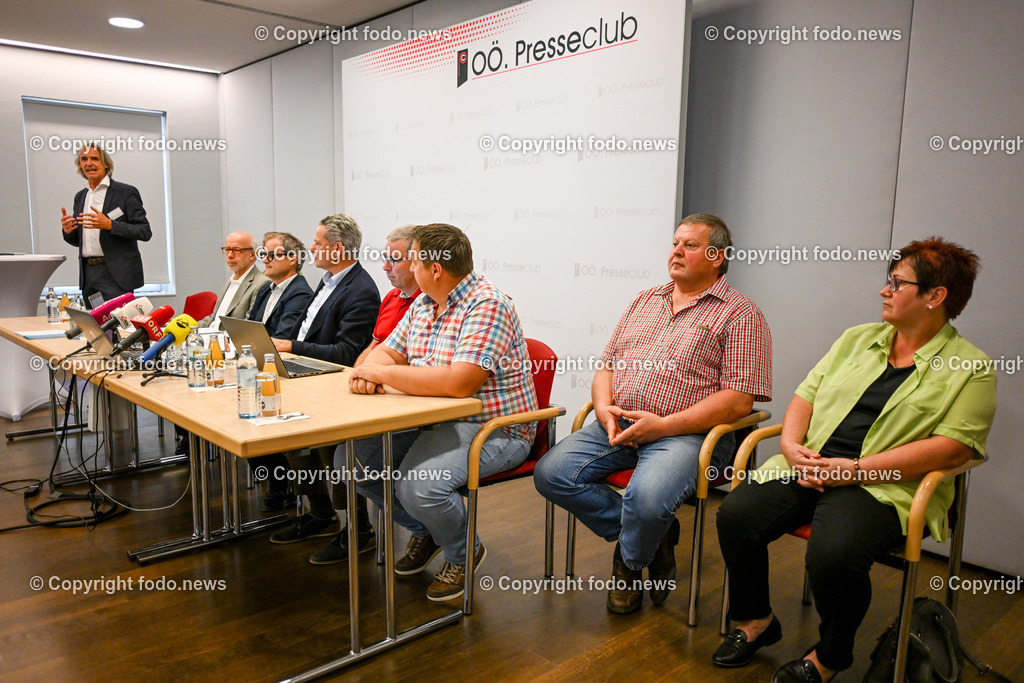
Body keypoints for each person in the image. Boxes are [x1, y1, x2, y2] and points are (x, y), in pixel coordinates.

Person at [712, 237, 997, 683]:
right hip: (811, 463)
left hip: (882, 483)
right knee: (736, 515)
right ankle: (757, 623)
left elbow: (954, 448)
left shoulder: (971, 368)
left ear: (935, 297)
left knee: (833, 554)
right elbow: (805, 396)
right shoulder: (857, 339)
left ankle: (829, 656)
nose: (884, 291)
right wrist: (790, 447)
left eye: (897, 283)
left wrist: (858, 471)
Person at [534, 214, 772, 615]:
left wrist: (663, 426)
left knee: (646, 501)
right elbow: (606, 366)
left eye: (690, 246)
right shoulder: (645, 300)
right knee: (551, 473)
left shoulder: (742, 314)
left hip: (688, 436)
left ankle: (628, 564)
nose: (676, 252)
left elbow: (738, 402)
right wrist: (606, 409)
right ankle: (655, 536)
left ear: (717, 257)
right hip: (620, 424)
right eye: (675, 243)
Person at [344, 223, 538, 601]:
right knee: (353, 462)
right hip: (430, 419)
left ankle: (463, 551)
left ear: (435, 270)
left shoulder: (488, 304)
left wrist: (381, 373)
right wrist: (375, 369)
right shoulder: (423, 302)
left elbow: (458, 383)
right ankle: (429, 530)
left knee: (420, 485)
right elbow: (387, 350)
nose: (408, 269)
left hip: (494, 428)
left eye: (413, 261)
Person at [293, 226, 424, 562]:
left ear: (419, 262)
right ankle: (327, 512)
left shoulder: (424, 306)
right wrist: (360, 373)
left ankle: (365, 526)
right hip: (371, 387)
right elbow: (376, 344)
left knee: (340, 448)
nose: (385, 267)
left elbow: (410, 365)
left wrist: (366, 372)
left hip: (404, 402)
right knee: (305, 429)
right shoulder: (393, 298)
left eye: (393, 260)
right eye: (385, 258)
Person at [264, 214, 378, 531]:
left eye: (317, 243)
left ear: (337, 248)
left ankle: (357, 528)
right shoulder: (327, 280)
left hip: (333, 383)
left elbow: (346, 353)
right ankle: (321, 512)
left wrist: (290, 347)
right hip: (308, 372)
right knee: (284, 431)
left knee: (328, 446)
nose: (311, 248)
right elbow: (308, 332)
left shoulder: (361, 290)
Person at [60, 144, 152, 301]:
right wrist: (68, 232)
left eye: (94, 159)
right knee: (94, 324)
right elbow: (79, 240)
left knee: (116, 324)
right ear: (80, 165)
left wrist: (110, 225)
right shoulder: (80, 196)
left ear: (106, 164)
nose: (89, 163)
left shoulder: (125, 193)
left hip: (116, 275)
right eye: (84, 159)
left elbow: (144, 231)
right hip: (88, 274)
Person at [247, 232, 314, 337]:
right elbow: (250, 327)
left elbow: (284, 338)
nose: (264, 261)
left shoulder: (301, 295)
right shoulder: (265, 289)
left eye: (271, 255)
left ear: (292, 259)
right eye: (264, 254)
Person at [198, 232, 269, 329]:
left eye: (237, 250)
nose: (230, 255)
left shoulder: (261, 283)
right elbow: (214, 319)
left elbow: (248, 327)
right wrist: (188, 327)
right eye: (227, 249)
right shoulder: (231, 280)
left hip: (228, 341)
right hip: (212, 338)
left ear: (252, 255)